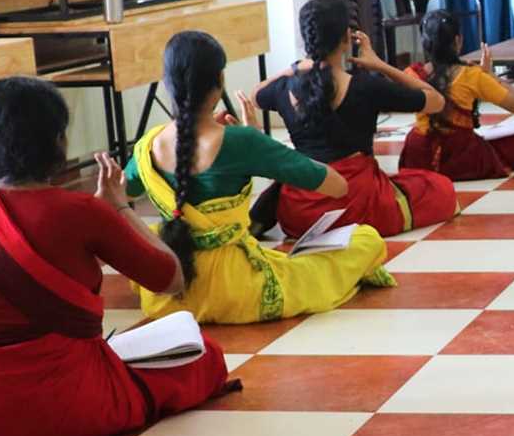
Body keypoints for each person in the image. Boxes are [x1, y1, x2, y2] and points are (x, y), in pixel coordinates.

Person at [0, 78, 233, 436]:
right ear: (56, 141)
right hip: (69, 403)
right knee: (205, 357)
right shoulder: (82, 212)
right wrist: (119, 208)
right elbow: (171, 279)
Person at [129, 30, 395, 325]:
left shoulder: (147, 146)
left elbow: (120, 196)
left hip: (169, 289)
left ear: (167, 83)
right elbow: (336, 184)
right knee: (365, 239)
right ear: (219, 82)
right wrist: (259, 142)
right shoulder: (241, 141)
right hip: (238, 290)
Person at [251, 0, 454, 238]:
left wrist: (293, 68)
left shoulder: (285, 88)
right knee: (439, 188)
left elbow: (255, 95)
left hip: (299, 212)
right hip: (358, 204)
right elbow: (436, 101)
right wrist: (380, 65)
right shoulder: (366, 86)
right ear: (347, 39)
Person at [399, 9, 514, 180]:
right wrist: (490, 76)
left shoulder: (410, 74)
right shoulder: (470, 75)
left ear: (425, 43)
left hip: (419, 157)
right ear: (458, 40)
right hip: (462, 156)